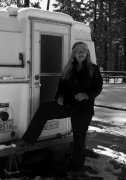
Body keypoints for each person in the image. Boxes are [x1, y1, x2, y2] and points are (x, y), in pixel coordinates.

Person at [15, 41, 103, 173]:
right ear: (74, 53)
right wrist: (59, 97)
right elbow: (61, 87)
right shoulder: (68, 68)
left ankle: (76, 167)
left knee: (79, 139)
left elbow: (98, 87)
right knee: (45, 109)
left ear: (87, 53)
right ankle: (28, 139)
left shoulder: (93, 69)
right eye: (78, 50)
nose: (81, 53)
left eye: (84, 51)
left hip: (83, 110)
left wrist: (86, 95)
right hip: (68, 105)